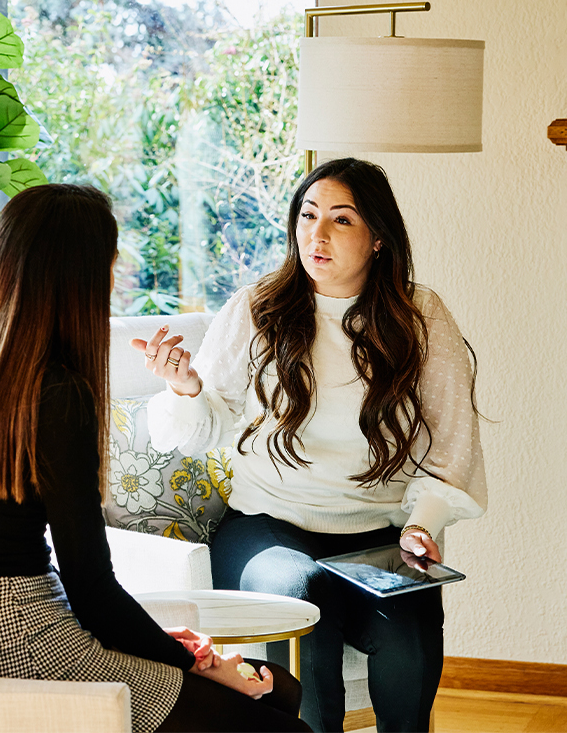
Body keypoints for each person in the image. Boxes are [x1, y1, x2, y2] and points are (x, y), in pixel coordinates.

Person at [0, 183, 310, 733]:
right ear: (80, 278)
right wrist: (194, 662)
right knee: (280, 716)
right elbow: (92, 585)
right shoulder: (58, 395)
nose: (115, 281)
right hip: (24, 649)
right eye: (110, 266)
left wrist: (170, 650)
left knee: (278, 686)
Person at [137, 157, 485, 733]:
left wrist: (423, 523)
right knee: (297, 596)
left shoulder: (420, 317)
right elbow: (197, 430)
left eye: (341, 220)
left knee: (411, 646)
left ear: (378, 238)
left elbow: (451, 445)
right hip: (269, 525)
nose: (316, 234)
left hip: (379, 541)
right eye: (307, 214)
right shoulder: (259, 308)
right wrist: (186, 388)